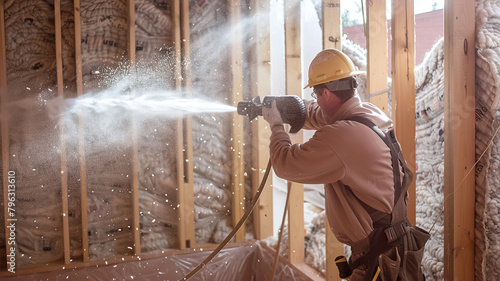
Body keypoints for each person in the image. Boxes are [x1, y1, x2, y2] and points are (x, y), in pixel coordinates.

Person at [262, 49, 428, 281]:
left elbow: (285, 164)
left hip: (379, 256)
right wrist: (287, 108)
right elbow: (319, 114)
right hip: (394, 243)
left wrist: (276, 125)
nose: (317, 100)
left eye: (317, 94)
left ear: (327, 93)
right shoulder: (368, 114)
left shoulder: (340, 136)